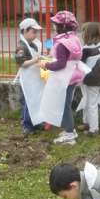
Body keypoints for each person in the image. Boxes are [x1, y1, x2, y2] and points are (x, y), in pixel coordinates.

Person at [36, 11, 88, 145]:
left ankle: (70, 133)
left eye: (56, 24)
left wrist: (45, 64)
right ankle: (70, 130)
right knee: (66, 104)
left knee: (64, 106)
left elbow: (60, 64)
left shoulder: (61, 44)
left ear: (63, 27)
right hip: (73, 75)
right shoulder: (74, 39)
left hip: (64, 77)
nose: (54, 27)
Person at [76, 22, 100, 136]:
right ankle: (86, 122)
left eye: (83, 31)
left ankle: (93, 129)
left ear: (87, 34)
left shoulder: (86, 49)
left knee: (91, 103)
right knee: (87, 99)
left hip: (91, 79)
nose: (82, 34)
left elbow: (79, 63)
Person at [14, 17, 44, 136]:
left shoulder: (33, 44)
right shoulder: (22, 47)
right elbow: (21, 63)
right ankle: (27, 125)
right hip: (27, 80)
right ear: (25, 31)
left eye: (36, 32)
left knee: (36, 100)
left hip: (34, 78)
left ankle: (36, 122)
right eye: (33, 32)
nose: (35, 34)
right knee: (28, 101)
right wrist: (35, 60)